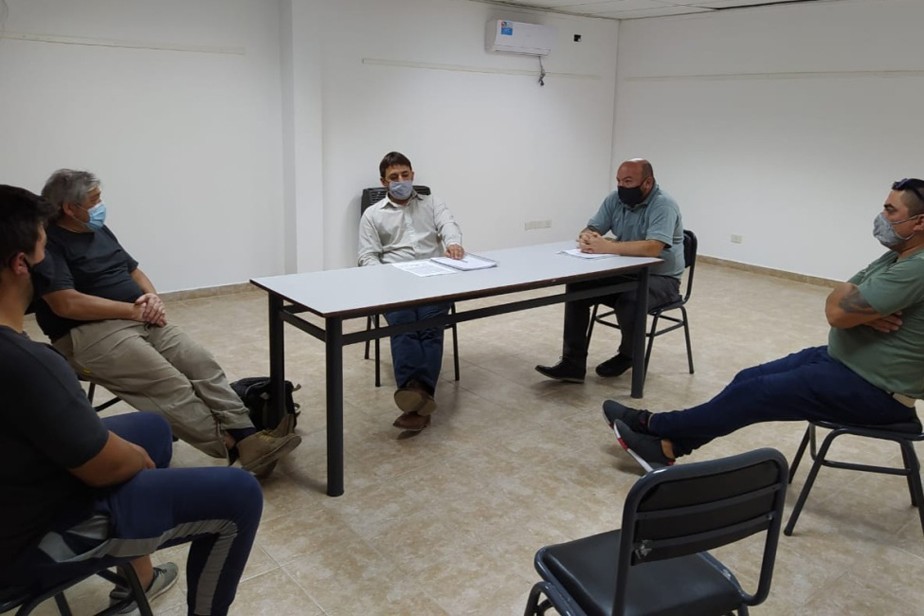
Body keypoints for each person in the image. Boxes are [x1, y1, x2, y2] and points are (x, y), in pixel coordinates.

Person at [0, 184, 262, 616]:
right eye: (43, 246)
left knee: (154, 427)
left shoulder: (21, 358)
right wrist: (134, 461)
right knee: (240, 494)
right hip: (30, 544)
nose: (49, 256)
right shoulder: (28, 363)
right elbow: (107, 466)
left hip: (22, 485)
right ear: (20, 264)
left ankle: (138, 577)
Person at [605, 178, 924, 472]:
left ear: (919, 222)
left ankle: (654, 426)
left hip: (875, 393)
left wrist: (853, 305)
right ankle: (667, 445)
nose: (882, 216)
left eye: (890, 210)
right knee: (748, 378)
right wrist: (856, 305)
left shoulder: (917, 267)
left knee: (757, 392)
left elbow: (836, 313)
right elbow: (838, 297)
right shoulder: (896, 256)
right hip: (842, 363)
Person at [32, 169, 300, 478]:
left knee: (200, 361)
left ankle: (249, 437)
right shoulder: (49, 243)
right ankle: (234, 447)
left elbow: (133, 271)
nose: (101, 206)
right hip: (88, 333)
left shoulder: (98, 230)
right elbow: (66, 303)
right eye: (95, 200)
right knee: (170, 384)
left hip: (137, 317)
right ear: (69, 207)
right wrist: (132, 311)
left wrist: (152, 299)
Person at [536, 158, 684, 383]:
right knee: (577, 288)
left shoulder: (663, 205)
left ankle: (628, 355)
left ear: (647, 182)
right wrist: (587, 237)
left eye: (628, 181)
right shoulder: (615, 199)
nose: (622, 186)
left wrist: (608, 247)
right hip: (625, 271)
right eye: (619, 181)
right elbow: (593, 227)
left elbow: (653, 247)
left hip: (661, 278)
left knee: (630, 300)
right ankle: (572, 363)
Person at [358, 151, 464, 432]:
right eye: (394, 177)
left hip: (434, 278)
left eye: (405, 174)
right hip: (394, 283)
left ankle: (415, 394)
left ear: (413, 175)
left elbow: (449, 226)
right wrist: (384, 279)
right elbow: (367, 256)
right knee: (404, 324)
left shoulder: (432, 203)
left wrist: (453, 243)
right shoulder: (372, 214)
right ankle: (419, 395)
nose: (401, 180)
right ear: (384, 182)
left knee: (429, 324)